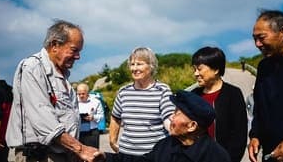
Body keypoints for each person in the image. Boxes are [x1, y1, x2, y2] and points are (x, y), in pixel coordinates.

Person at [5, 20, 95, 162]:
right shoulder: (32, 67)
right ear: (54, 45)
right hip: (38, 156)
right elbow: (44, 120)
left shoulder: (62, 76)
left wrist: (74, 152)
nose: (78, 56)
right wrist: (80, 149)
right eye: (74, 50)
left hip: (62, 154)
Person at [92, 91, 231, 162]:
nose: (171, 117)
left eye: (177, 113)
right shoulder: (166, 144)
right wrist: (106, 157)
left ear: (192, 126)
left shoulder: (216, 156)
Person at [109, 47, 175, 159]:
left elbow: (168, 117)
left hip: (154, 156)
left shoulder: (162, 90)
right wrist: (112, 141)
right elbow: (115, 117)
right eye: (132, 64)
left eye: (139, 64)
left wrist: (176, 129)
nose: (134, 68)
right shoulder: (124, 91)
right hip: (126, 155)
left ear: (151, 66)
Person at [191, 46, 248, 162]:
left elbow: (239, 134)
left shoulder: (233, 94)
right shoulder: (193, 95)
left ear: (216, 69)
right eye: (194, 69)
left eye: (200, 69)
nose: (195, 74)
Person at [248, 9, 283, 162]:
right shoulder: (263, 67)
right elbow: (259, 106)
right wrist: (255, 135)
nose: (257, 44)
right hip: (271, 153)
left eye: (262, 37)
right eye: (254, 39)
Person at [77, 83, 104, 148]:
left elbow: (101, 116)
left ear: (87, 93)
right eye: (79, 94)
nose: (81, 96)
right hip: (78, 132)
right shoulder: (74, 102)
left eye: (83, 94)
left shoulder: (96, 102)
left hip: (92, 132)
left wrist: (93, 117)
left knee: (93, 154)